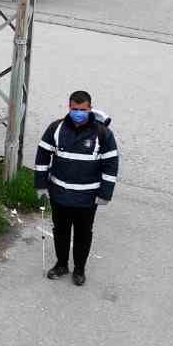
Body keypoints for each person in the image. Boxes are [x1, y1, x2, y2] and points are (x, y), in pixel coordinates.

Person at [33, 91, 119, 286]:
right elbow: (42, 157)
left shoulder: (102, 134)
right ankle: (61, 264)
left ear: (90, 109)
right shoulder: (56, 128)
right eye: (74, 109)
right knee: (60, 231)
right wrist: (40, 185)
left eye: (82, 110)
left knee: (83, 234)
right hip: (59, 195)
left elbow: (111, 165)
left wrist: (105, 194)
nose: (78, 113)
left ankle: (79, 270)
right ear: (68, 108)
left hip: (87, 199)